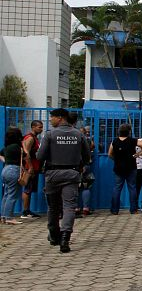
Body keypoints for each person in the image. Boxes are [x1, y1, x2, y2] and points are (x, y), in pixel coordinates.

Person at [36, 108, 90, 253]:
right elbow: (86, 157)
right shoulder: (79, 134)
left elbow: (40, 156)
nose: (50, 120)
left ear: (60, 118)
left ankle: (54, 235)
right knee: (69, 207)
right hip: (72, 174)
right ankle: (65, 238)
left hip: (53, 174)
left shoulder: (50, 135)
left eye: (52, 117)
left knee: (53, 207)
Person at [108, 124, 142, 215]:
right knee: (132, 188)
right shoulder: (133, 141)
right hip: (131, 167)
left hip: (118, 168)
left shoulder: (114, 141)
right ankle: (133, 209)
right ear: (129, 132)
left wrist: (116, 159)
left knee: (117, 188)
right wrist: (138, 154)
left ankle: (114, 210)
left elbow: (109, 154)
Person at [1, 127, 25, 225]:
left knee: (6, 194)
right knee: (12, 195)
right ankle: (9, 217)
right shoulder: (17, 147)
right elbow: (26, 155)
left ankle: (3, 216)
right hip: (14, 170)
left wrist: (6, 161)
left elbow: (1, 154)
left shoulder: (7, 147)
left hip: (6, 169)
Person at [20, 120, 44, 218]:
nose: (41, 129)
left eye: (42, 127)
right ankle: (25, 211)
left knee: (30, 189)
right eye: (39, 127)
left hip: (34, 167)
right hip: (30, 168)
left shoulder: (34, 138)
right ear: (33, 127)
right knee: (27, 189)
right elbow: (26, 154)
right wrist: (30, 167)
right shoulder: (30, 138)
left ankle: (28, 210)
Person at [76, 126, 95, 217]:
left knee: (74, 187)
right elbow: (93, 147)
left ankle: (75, 208)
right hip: (86, 164)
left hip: (75, 165)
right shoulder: (87, 140)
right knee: (86, 187)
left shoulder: (73, 141)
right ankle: (86, 208)